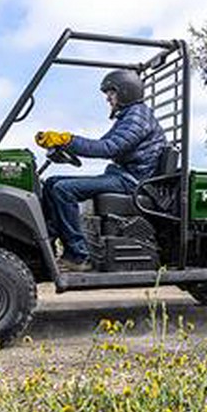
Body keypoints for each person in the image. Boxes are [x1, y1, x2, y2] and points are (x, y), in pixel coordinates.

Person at [36, 69, 167, 272]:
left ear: (125, 92)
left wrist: (68, 140)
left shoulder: (137, 118)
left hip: (133, 181)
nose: (108, 98)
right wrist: (67, 144)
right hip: (121, 175)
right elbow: (104, 144)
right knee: (52, 182)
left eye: (111, 92)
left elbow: (108, 148)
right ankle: (48, 244)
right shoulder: (129, 116)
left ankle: (79, 256)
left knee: (63, 189)